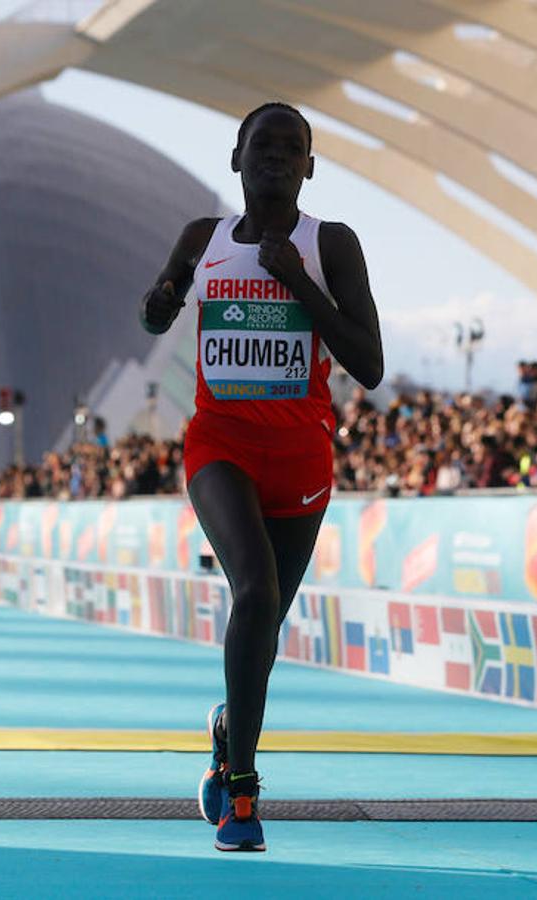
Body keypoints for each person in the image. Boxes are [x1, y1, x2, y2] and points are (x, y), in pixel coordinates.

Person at [140, 102, 383, 852]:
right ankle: (241, 795)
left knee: (264, 632)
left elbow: (368, 366)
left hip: (302, 459)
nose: (277, 156)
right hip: (220, 443)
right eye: (262, 144)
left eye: (293, 147)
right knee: (255, 592)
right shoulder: (201, 239)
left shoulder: (329, 243)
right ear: (235, 158)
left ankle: (226, 729)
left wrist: (299, 282)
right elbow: (156, 315)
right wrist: (160, 300)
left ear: (309, 167)